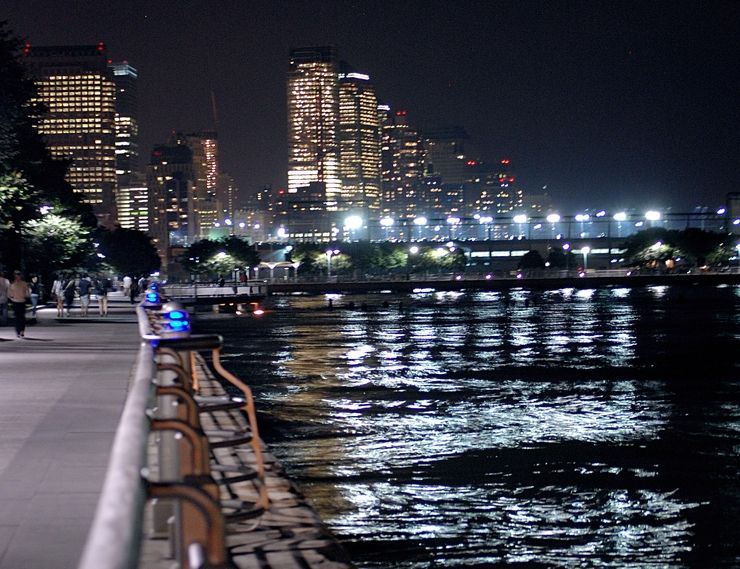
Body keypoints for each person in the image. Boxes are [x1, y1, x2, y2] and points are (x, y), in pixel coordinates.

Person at [8, 270, 30, 338]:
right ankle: (18, 331)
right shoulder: (12, 284)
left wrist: (25, 296)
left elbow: (27, 293)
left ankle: (21, 331)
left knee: (21, 317)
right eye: (16, 275)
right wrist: (12, 298)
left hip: (21, 301)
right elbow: (9, 294)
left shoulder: (23, 284)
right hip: (16, 302)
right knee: (17, 318)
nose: (17, 276)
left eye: (18, 275)